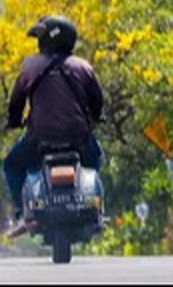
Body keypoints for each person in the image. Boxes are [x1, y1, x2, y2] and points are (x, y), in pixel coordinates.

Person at [3, 15, 104, 224]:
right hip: (78, 138)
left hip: (39, 138)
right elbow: (97, 99)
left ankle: (23, 211)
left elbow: (16, 101)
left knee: (11, 164)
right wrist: (96, 117)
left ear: (50, 39)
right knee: (95, 159)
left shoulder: (30, 66)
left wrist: (14, 121)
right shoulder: (82, 66)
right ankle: (95, 207)